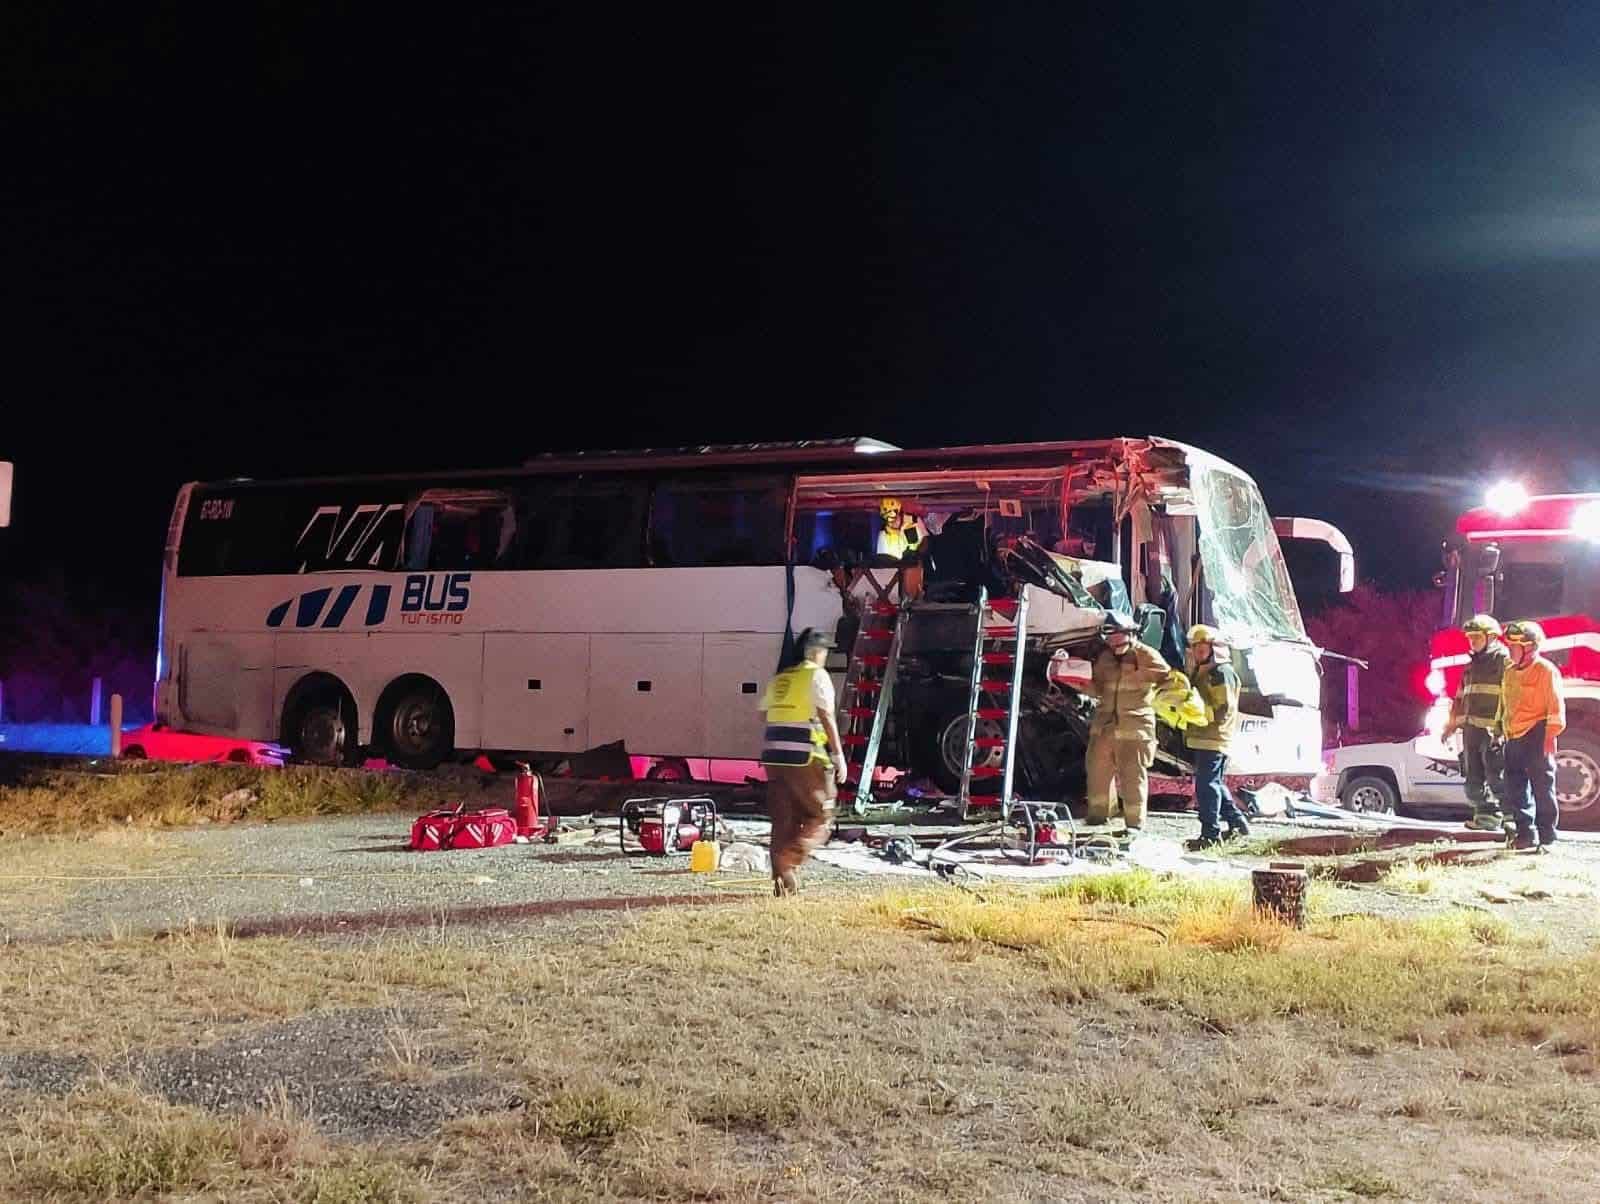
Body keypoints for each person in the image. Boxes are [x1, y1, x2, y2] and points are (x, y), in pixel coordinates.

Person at [759, 627, 847, 894]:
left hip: (773, 757)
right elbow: (826, 716)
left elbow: (764, 716)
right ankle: (787, 862)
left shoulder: (781, 678)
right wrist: (838, 754)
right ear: (816, 653)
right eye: (824, 652)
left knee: (783, 818)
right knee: (821, 815)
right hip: (804, 757)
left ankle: (782, 881)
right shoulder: (816, 676)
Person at [1084, 611, 1170, 839]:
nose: (1114, 641)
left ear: (1132, 633)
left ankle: (1134, 826)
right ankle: (1098, 820)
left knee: (1133, 778)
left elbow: (1168, 679)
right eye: (1110, 637)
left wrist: (1140, 676)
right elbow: (1097, 688)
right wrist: (1073, 681)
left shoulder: (1147, 655)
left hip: (1135, 730)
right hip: (1104, 728)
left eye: (1119, 635)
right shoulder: (1105, 659)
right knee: (1096, 775)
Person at [1498, 620, 1566, 851]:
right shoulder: (1509, 672)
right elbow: (1504, 703)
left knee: (1542, 786)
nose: (1510, 650)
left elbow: (1555, 705)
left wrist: (1550, 736)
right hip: (1513, 735)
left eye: (1514, 647)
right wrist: (1499, 729)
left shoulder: (1546, 671)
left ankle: (1548, 837)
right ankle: (1526, 834)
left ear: (1530, 647)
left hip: (1537, 732)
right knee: (1515, 786)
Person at [1183, 624, 1252, 849]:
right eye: (1195, 647)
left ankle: (1210, 835)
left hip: (1213, 738)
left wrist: (1199, 715)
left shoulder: (1221, 673)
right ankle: (1238, 824)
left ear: (1214, 648)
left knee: (1206, 786)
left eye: (1203, 647)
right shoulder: (1204, 672)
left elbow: (1224, 709)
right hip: (1205, 737)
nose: (1198, 651)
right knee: (1215, 783)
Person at [1441, 614, 1511, 832]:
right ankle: (1485, 818)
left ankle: (1513, 820)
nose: (1472, 642)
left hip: (1493, 732)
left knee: (1496, 777)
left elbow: (1511, 697)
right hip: (1471, 732)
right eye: (1470, 638)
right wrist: (1451, 726)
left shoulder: (1503, 662)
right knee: (1473, 780)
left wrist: (1502, 730)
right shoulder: (1471, 666)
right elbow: (1460, 698)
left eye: (1477, 637)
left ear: (1491, 637)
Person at [875, 496, 927, 561]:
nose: (891, 522)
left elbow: (926, 540)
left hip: (916, 562)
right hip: (897, 565)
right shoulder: (883, 533)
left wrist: (917, 554)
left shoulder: (914, 520)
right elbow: (882, 557)